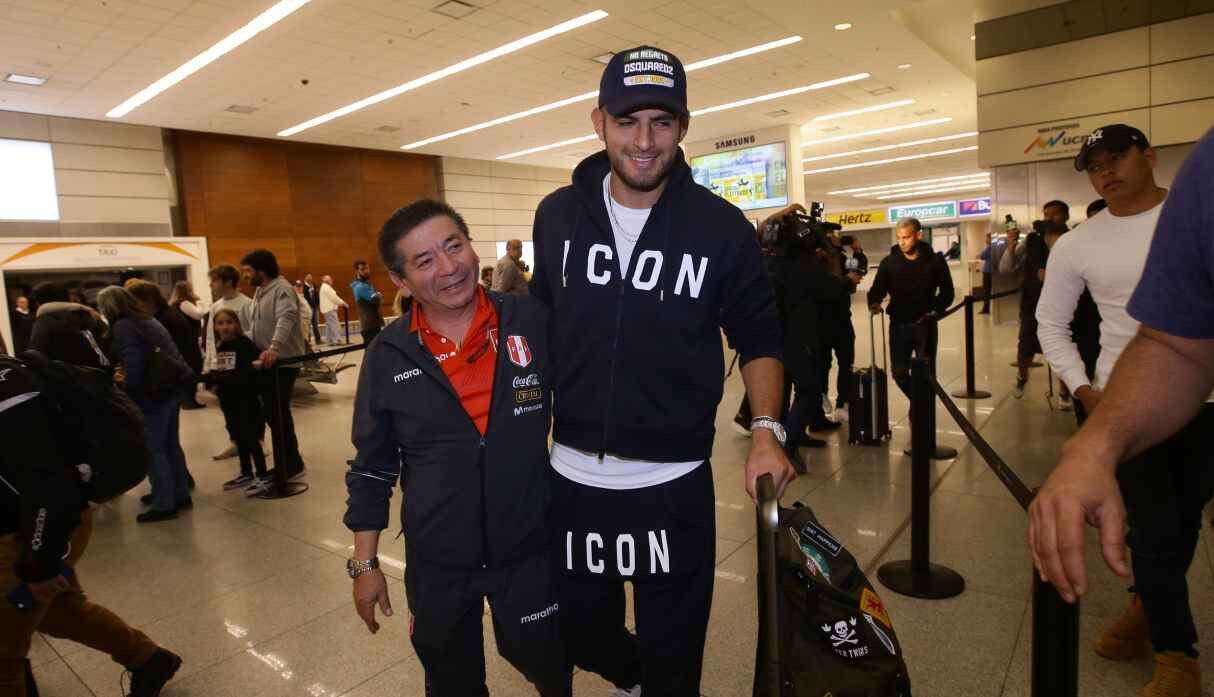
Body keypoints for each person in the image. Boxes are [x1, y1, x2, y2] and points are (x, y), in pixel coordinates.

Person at [530, 45, 791, 696]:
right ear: (599, 123)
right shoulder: (558, 217)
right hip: (572, 481)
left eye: (662, 122)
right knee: (580, 631)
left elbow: (759, 335)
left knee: (677, 656)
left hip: (671, 485)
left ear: (683, 126)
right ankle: (633, 678)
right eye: (627, 121)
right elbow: (537, 324)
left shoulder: (721, 229)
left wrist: (765, 430)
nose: (645, 142)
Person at [344, 200, 569, 696]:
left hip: (529, 549)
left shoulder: (531, 319)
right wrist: (366, 564)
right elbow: (373, 467)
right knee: (450, 681)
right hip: (438, 561)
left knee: (547, 663)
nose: (449, 268)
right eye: (424, 261)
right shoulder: (388, 354)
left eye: (454, 246)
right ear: (400, 280)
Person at [1030, 126, 1214, 697]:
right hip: (1130, 405)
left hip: (1208, 405)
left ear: (1150, 157)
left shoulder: (1188, 215)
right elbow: (1050, 324)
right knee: (1154, 531)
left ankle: (1143, 609)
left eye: (1117, 159)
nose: (1106, 172)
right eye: (1095, 166)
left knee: (1184, 522)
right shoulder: (1079, 244)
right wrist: (1084, 389)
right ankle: (1176, 654)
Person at [0, 354, 182, 697]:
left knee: (2, 655)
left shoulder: (10, 393)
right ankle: (147, 658)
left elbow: (50, 486)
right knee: (61, 612)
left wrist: (41, 564)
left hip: (29, 533)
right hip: (35, 526)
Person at [98, 286, 194, 523]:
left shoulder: (124, 326)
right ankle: (180, 493)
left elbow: (134, 363)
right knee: (171, 444)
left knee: (154, 448)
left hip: (153, 392)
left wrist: (129, 389)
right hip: (171, 386)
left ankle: (164, 503)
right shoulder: (147, 320)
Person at [867, 217, 955, 400]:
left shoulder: (935, 261)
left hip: (926, 325)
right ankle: (918, 403)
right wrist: (874, 302)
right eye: (899, 237)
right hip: (898, 325)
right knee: (899, 373)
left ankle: (922, 413)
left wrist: (936, 309)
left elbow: (948, 292)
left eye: (906, 237)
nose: (901, 242)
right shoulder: (889, 263)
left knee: (927, 374)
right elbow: (877, 289)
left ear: (918, 235)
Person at [242, 249, 308, 484]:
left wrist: (274, 347)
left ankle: (290, 465)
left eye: (248, 271)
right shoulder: (261, 291)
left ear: (261, 270)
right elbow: (256, 325)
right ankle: (287, 462)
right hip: (267, 362)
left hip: (282, 362)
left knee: (278, 415)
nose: (245, 276)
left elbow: (286, 317)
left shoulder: (282, 288)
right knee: (274, 415)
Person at [204, 308, 269, 492]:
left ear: (237, 325)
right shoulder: (221, 346)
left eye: (229, 322)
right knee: (238, 437)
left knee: (251, 438)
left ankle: (262, 475)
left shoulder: (244, 344)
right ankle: (246, 472)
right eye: (220, 323)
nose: (225, 327)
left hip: (246, 399)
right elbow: (224, 371)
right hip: (229, 400)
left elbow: (251, 368)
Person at [1011, 201, 1068, 399]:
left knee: (1064, 348)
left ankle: (1064, 391)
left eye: (1055, 214)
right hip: (1032, 301)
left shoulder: (1072, 239)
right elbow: (1007, 265)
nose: (1050, 218)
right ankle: (1021, 376)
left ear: (1066, 216)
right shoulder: (1033, 239)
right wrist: (1011, 244)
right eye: (1046, 214)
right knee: (1026, 343)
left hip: (1063, 302)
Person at [203, 264, 257, 461]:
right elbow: (211, 339)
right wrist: (210, 367)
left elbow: (253, 335)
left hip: (243, 369)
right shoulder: (215, 307)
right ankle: (236, 442)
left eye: (215, 280)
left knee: (249, 408)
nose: (212, 284)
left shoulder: (247, 304)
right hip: (224, 369)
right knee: (228, 408)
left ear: (228, 281)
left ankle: (257, 442)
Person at [124, 280, 205, 411]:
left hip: (172, 374)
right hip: (179, 368)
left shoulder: (162, 318)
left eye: (134, 302)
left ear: (148, 300)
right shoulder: (166, 314)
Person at [27, 282, 112, 369]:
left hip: (62, 378)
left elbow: (35, 355)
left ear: (38, 302)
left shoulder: (44, 321)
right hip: (96, 376)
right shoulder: (89, 316)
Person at [169, 281, 207, 409]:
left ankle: (187, 400)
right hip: (188, 342)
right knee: (193, 368)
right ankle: (189, 401)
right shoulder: (184, 303)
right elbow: (199, 315)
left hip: (182, 342)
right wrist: (201, 303)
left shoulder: (174, 304)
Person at [351, 260, 384, 346]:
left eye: (367, 268)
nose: (366, 271)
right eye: (362, 269)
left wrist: (377, 296)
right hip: (369, 326)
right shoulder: (360, 287)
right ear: (357, 271)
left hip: (374, 324)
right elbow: (376, 299)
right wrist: (378, 295)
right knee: (371, 354)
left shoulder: (367, 284)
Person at [318, 274, 347, 345]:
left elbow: (334, 297)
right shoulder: (326, 287)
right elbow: (334, 298)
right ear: (325, 280)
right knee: (334, 325)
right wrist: (343, 303)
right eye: (329, 279)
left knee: (329, 325)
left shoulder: (326, 287)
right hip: (329, 309)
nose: (331, 280)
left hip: (327, 309)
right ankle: (337, 340)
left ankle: (330, 340)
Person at [293, 280, 315, 352]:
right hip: (302, 321)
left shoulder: (301, 295)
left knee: (305, 340)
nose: (300, 288)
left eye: (301, 286)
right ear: (294, 287)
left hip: (306, 321)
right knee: (304, 340)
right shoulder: (295, 297)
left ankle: (307, 356)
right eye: (297, 286)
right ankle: (306, 358)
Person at [977, 232, 994, 314]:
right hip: (993, 272)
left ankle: (986, 309)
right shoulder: (995, 247)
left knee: (986, 291)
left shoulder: (989, 247)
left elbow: (982, 256)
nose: (986, 240)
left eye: (987, 238)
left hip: (987, 272)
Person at [302, 273, 321, 344]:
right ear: (305, 278)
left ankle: (318, 340)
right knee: (308, 325)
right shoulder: (304, 286)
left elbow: (316, 295)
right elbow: (304, 297)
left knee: (315, 324)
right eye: (308, 277)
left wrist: (317, 304)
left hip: (315, 307)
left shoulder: (313, 285)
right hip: (308, 308)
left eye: (311, 276)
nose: (310, 278)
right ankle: (308, 341)